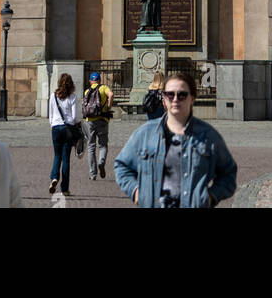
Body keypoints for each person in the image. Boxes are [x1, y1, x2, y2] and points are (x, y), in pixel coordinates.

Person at [115, 72, 237, 208]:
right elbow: (121, 165)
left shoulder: (208, 136)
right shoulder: (145, 133)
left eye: (182, 94)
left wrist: (210, 197)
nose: (175, 99)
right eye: (170, 94)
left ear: (192, 98)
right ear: (164, 99)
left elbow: (228, 174)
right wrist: (136, 192)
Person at [48, 72, 80, 196]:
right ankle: (64, 189)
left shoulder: (53, 96)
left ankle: (54, 177)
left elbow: (50, 115)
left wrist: (53, 124)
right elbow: (74, 117)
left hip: (55, 128)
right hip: (67, 129)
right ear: (71, 84)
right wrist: (78, 123)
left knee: (57, 155)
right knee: (66, 159)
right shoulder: (72, 97)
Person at [82, 70, 114, 180]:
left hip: (89, 120)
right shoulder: (104, 88)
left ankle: (93, 174)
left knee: (91, 146)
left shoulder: (87, 91)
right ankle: (101, 162)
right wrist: (108, 107)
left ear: (91, 81)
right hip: (102, 119)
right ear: (99, 80)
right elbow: (111, 94)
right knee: (103, 144)